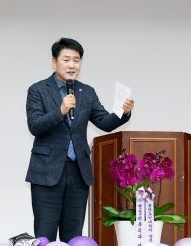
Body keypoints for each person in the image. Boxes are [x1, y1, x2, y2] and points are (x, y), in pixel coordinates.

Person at [25, 37, 134, 242]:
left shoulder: (87, 92)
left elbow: (104, 122)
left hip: (78, 171)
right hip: (47, 172)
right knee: (45, 234)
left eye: (76, 60)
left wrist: (123, 112)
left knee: (74, 235)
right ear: (54, 61)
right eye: (66, 59)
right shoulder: (38, 90)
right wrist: (60, 111)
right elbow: (35, 125)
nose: (72, 65)